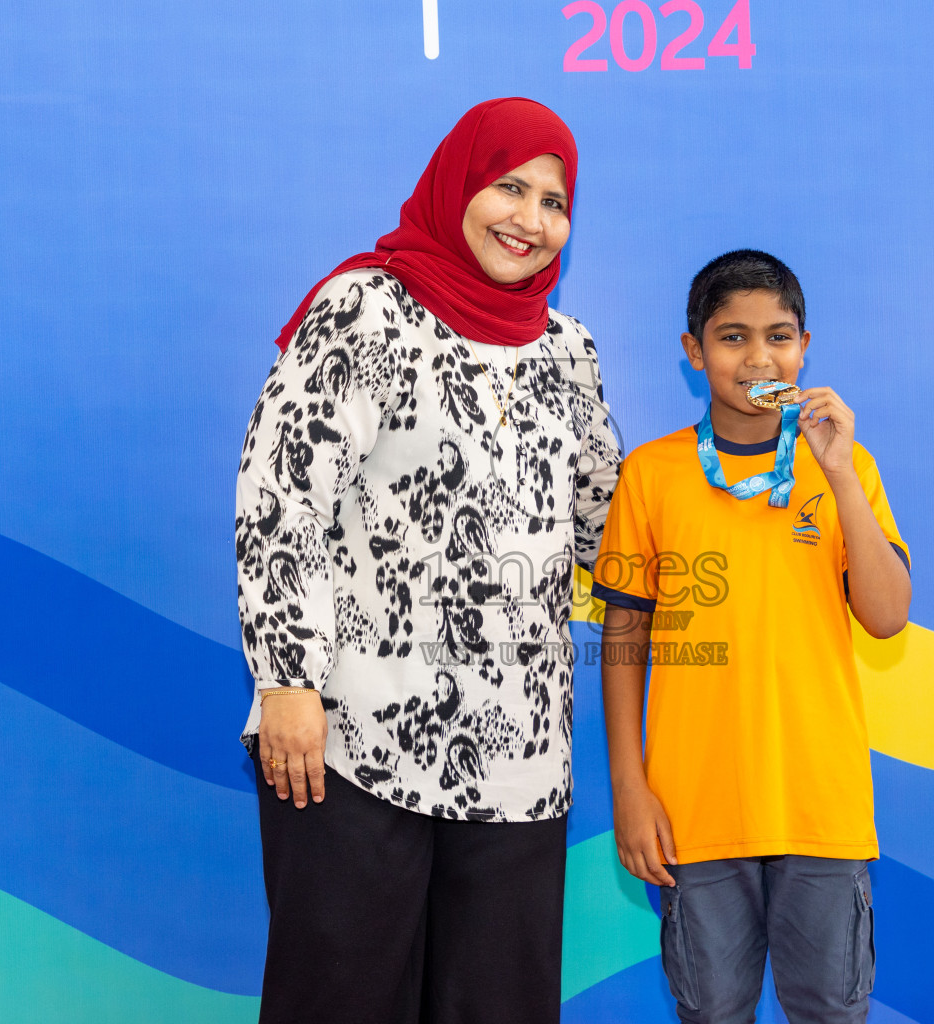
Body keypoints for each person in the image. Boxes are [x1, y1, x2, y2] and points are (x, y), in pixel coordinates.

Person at [234, 97, 620, 1024]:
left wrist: (743, 477)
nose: (532, 219)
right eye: (510, 187)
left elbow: (603, 527)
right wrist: (288, 682)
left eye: (555, 201)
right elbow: (281, 494)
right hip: (350, 742)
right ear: (459, 185)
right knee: (340, 1003)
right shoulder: (365, 309)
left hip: (519, 758)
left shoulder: (569, 352)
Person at [594, 249, 911, 1024]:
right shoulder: (652, 475)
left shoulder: (847, 467)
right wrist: (631, 790)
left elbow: (887, 615)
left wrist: (836, 475)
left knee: (832, 1012)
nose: (759, 357)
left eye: (780, 336)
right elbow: (624, 635)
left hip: (819, 808)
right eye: (732, 337)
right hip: (695, 810)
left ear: (805, 348)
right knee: (711, 1013)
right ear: (694, 351)